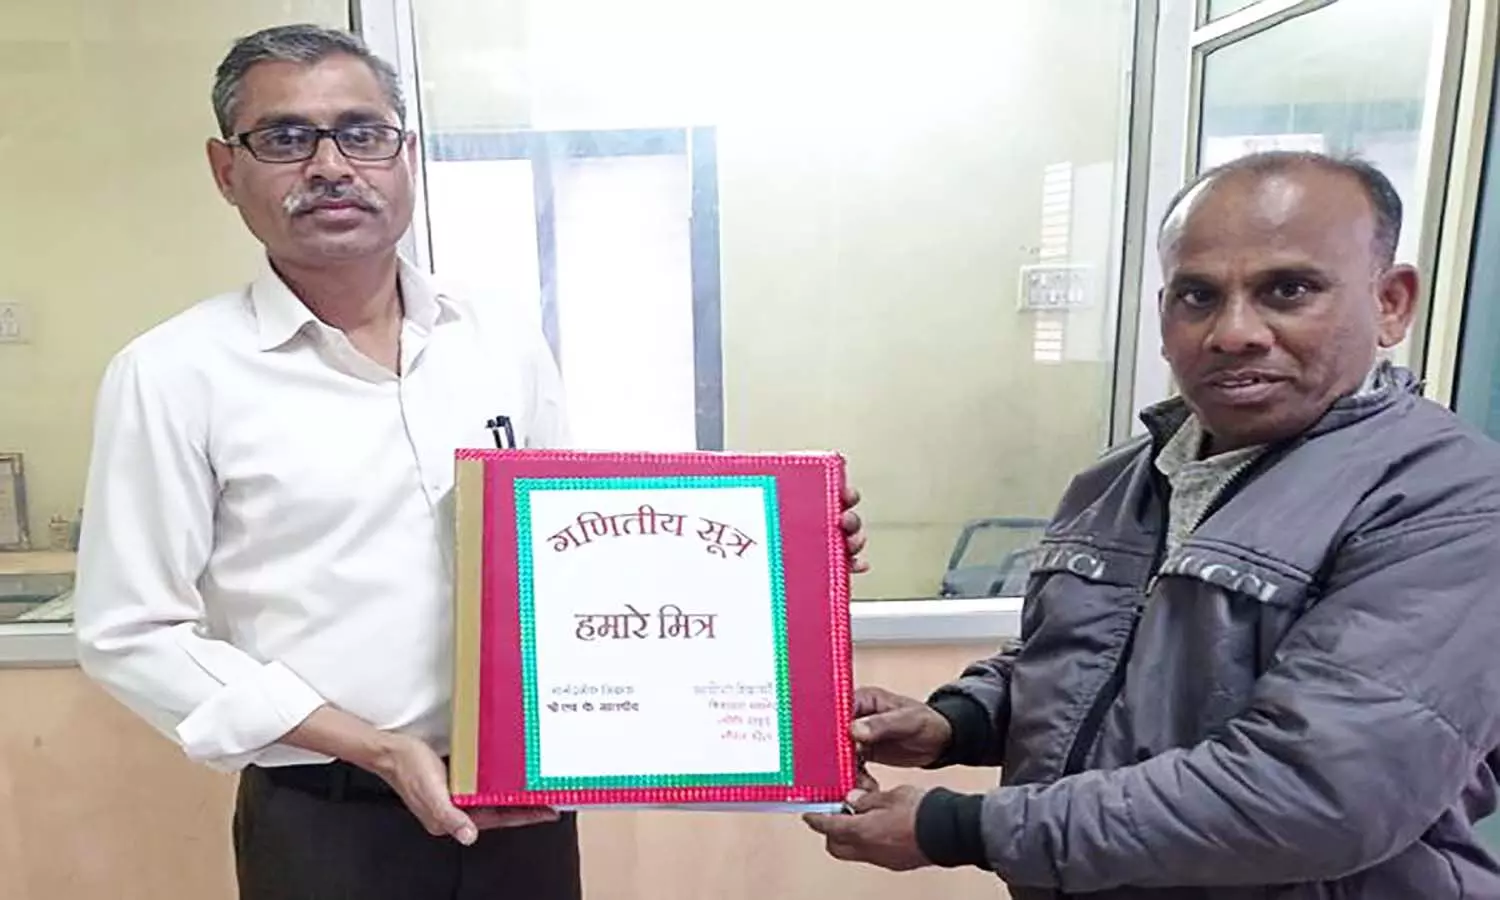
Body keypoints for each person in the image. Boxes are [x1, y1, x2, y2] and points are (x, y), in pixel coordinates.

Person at [71, 22, 867, 900]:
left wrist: (782, 555)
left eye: (362, 133)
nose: (331, 165)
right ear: (227, 170)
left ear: (405, 156)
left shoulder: (499, 340)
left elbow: (576, 557)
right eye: (287, 138)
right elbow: (131, 633)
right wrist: (374, 748)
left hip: (524, 814)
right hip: (328, 824)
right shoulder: (173, 374)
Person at [804, 150, 1500, 899]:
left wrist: (960, 828)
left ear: (1391, 302)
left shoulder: (1448, 503)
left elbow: (1316, 792)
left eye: (1288, 290)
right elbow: (1085, 661)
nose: (1234, 332)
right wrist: (957, 723)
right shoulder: (1119, 480)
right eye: (1198, 296)